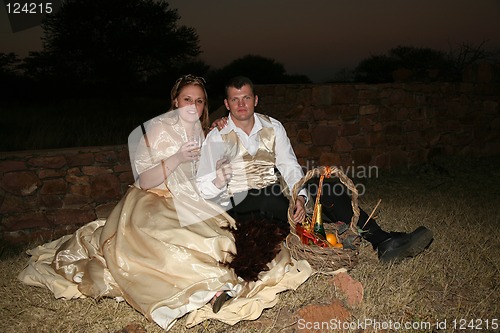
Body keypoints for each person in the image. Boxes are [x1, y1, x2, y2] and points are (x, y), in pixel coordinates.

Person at [18, 75, 312, 331]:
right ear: (175, 101)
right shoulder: (159, 130)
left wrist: (219, 171)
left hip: (192, 199)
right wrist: (177, 158)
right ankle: (205, 291)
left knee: (224, 238)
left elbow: (206, 176)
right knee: (175, 243)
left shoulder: (207, 131)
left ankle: (218, 284)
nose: (192, 107)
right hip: (154, 199)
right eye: (187, 99)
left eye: (198, 102)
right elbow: (145, 180)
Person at [196, 76, 433, 264]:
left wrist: (299, 197)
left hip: (273, 193)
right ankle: (301, 233)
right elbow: (204, 185)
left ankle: (382, 241)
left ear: (255, 99)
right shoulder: (217, 136)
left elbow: (289, 166)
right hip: (241, 200)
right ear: (226, 104)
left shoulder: (273, 126)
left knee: (324, 184)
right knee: (269, 198)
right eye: (235, 100)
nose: (241, 105)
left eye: (246, 98)